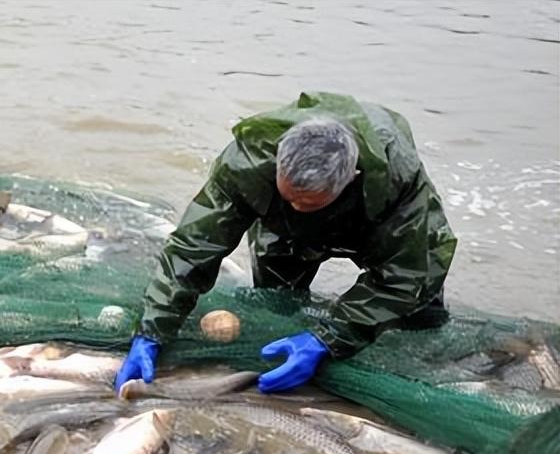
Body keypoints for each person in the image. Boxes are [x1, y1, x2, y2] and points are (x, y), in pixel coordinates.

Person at [116, 91, 457, 394]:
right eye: (288, 195)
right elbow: (194, 247)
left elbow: (403, 276)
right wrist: (152, 329)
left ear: (349, 182)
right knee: (277, 304)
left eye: (305, 202)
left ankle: (416, 382)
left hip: (377, 215)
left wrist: (326, 340)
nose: (297, 206)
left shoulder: (399, 180)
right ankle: (287, 354)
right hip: (283, 229)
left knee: (417, 308)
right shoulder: (247, 162)